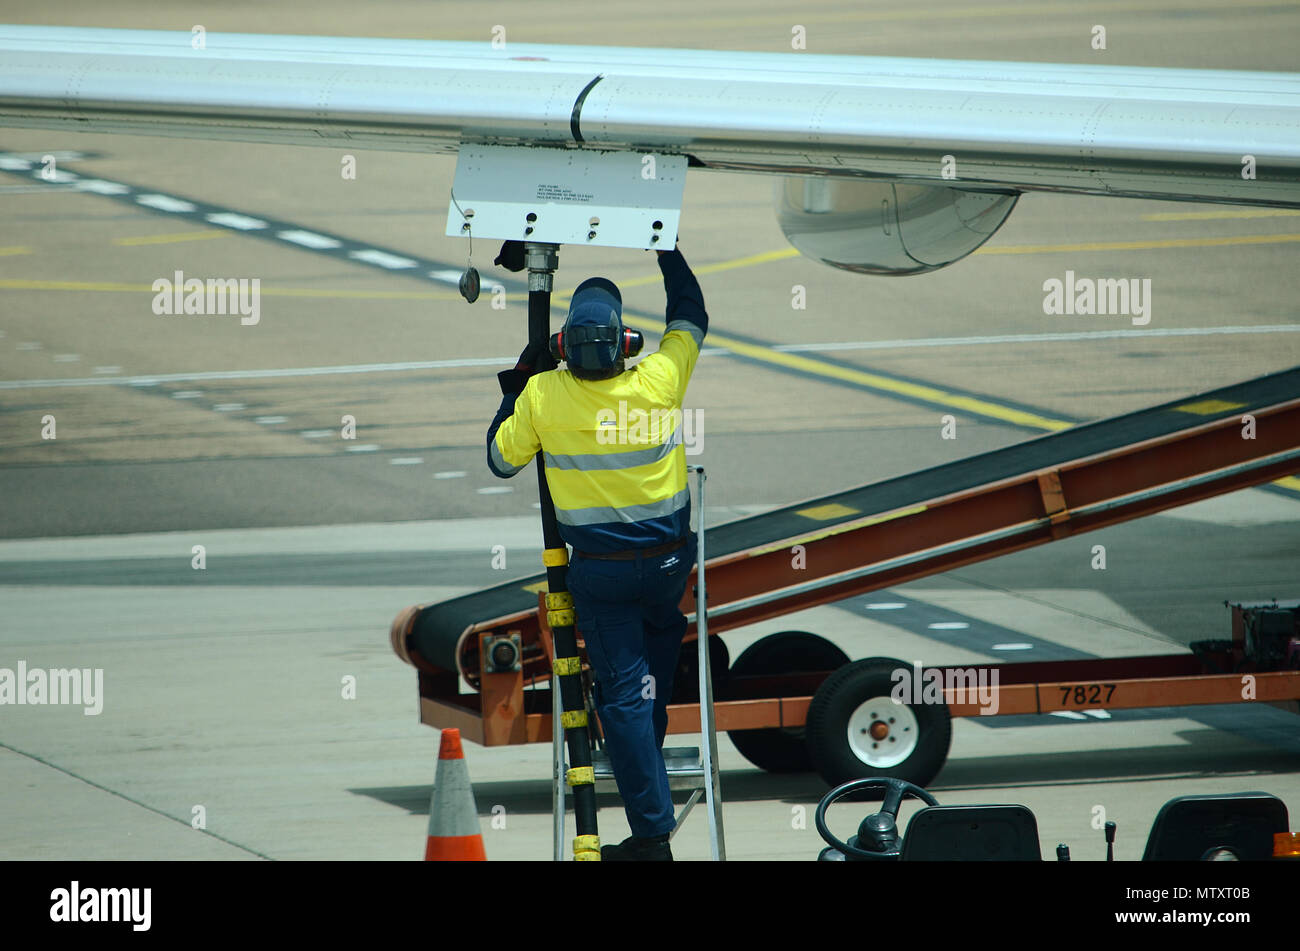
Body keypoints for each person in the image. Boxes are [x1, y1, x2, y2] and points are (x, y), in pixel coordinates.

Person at [486, 241, 708, 861]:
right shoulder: (660, 380)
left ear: (562, 348)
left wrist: (517, 386)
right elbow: (691, 314)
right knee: (647, 685)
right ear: (626, 342)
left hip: (602, 577)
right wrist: (668, 251)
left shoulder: (544, 397)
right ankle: (649, 770)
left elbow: (500, 460)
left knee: (623, 697)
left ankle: (651, 837)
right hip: (668, 566)